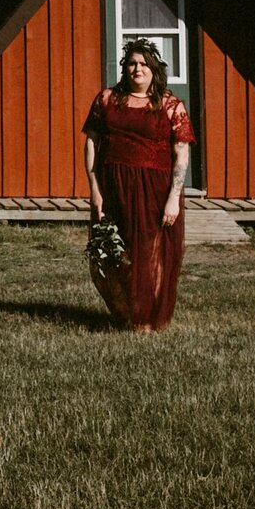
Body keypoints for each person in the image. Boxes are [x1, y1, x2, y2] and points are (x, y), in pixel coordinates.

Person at [82, 38, 193, 331]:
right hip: (113, 187)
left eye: (144, 64)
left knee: (151, 253)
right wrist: (94, 188)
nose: (137, 69)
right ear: (124, 68)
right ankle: (128, 315)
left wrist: (173, 197)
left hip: (154, 190)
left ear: (154, 70)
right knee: (118, 251)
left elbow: (181, 153)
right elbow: (92, 142)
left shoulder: (170, 105)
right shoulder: (106, 100)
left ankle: (148, 318)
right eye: (132, 63)